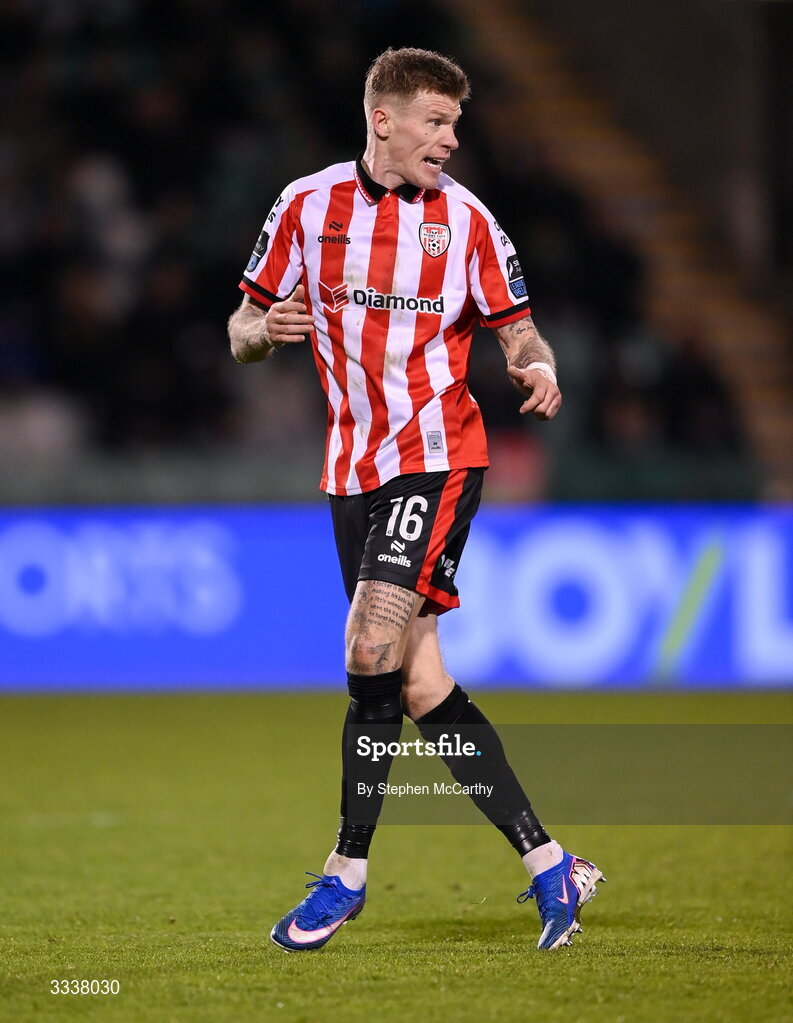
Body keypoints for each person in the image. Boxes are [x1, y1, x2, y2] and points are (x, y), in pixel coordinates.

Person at [227, 47, 605, 952]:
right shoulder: (304, 205)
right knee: (418, 680)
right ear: (383, 118)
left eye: (454, 124)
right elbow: (241, 324)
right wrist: (261, 333)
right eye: (436, 122)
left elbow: (517, 332)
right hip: (349, 467)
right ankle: (549, 860)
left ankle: (344, 874)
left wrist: (538, 365)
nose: (451, 138)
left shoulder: (468, 220)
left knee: (368, 646)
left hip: (438, 458)